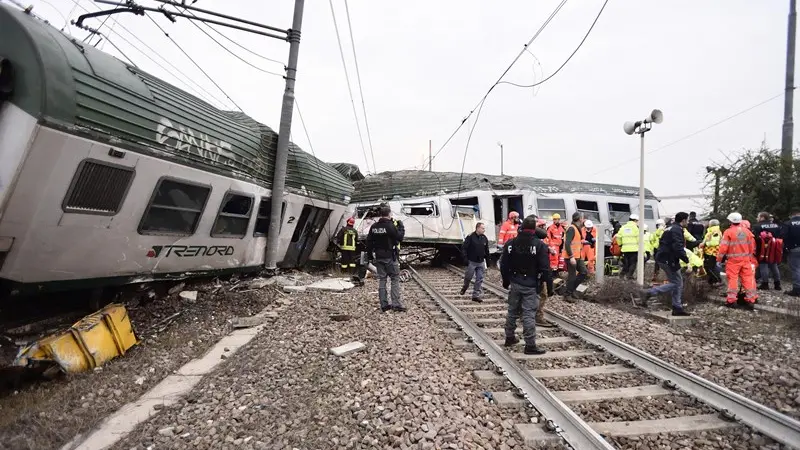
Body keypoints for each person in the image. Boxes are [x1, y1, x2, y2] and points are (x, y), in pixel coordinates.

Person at [500, 215, 551, 355]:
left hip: (515, 281)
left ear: (521, 228)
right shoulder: (539, 245)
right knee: (528, 314)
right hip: (531, 283)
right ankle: (530, 345)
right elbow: (545, 268)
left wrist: (506, 280)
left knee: (512, 311)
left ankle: (509, 337)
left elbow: (504, 264)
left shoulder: (511, 244)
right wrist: (547, 286)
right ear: (534, 228)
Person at [639, 212, 691, 316]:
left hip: (663, 257)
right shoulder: (677, 230)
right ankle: (649, 292)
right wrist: (687, 261)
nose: (688, 222)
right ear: (684, 220)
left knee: (677, 282)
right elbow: (678, 247)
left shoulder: (669, 228)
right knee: (676, 283)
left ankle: (677, 307)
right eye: (687, 220)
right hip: (669, 259)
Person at [366, 206, 406, 312]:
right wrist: (401, 227)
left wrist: (370, 256)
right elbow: (399, 238)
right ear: (389, 214)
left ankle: (384, 305)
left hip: (378, 257)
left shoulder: (374, 226)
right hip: (389, 256)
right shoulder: (390, 226)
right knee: (394, 278)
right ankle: (396, 304)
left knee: (382, 280)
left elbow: (369, 242)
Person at [717, 212, 757, 310]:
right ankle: (751, 300)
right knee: (748, 279)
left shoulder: (728, 232)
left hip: (733, 261)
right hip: (746, 260)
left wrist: (719, 259)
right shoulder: (747, 232)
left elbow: (723, 248)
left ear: (730, 220)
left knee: (733, 279)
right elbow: (752, 247)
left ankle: (731, 300)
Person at [752, 211, 783, 291]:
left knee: (763, 265)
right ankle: (777, 284)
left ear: (762, 217)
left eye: (758, 217)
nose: (757, 218)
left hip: (762, 248)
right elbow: (780, 236)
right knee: (774, 265)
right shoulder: (776, 225)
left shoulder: (757, 226)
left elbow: (754, 238)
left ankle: (765, 284)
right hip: (774, 247)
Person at [461, 222, 490, 302]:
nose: (484, 230)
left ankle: (475, 295)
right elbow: (464, 248)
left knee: (479, 278)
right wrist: (465, 258)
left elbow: (486, 250)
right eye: (482, 228)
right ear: (478, 228)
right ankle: (465, 287)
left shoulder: (484, 238)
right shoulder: (470, 237)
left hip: (480, 262)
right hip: (472, 261)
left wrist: (488, 261)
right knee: (468, 277)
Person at [562, 212, 587, 301]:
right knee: (572, 276)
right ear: (579, 219)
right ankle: (567, 294)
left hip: (577, 256)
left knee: (583, 272)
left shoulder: (577, 228)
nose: (583, 220)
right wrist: (571, 256)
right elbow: (567, 243)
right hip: (571, 256)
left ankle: (572, 290)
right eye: (582, 218)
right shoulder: (572, 229)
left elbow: (575, 242)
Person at [615, 214, 640, 279]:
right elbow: (639, 239)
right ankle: (629, 276)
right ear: (635, 220)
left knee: (626, 263)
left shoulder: (623, 227)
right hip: (634, 249)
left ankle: (622, 275)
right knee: (633, 263)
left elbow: (618, 237)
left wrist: (620, 244)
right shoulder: (636, 228)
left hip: (625, 249)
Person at [784, 207, 800, 297]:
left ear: (792, 214)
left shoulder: (788, 223)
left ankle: (797, 289)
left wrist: (786, 248)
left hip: (794, 249)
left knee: (796, 269)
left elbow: (784, 236)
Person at [701, 219, 723, 286]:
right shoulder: (713, 231)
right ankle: (711, 281)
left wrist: (705, 244)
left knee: (708, 267)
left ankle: (717, 280)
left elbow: (714, 242)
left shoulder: (714, 231)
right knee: (711, 267)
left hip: (712, 252)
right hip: (711, 251)